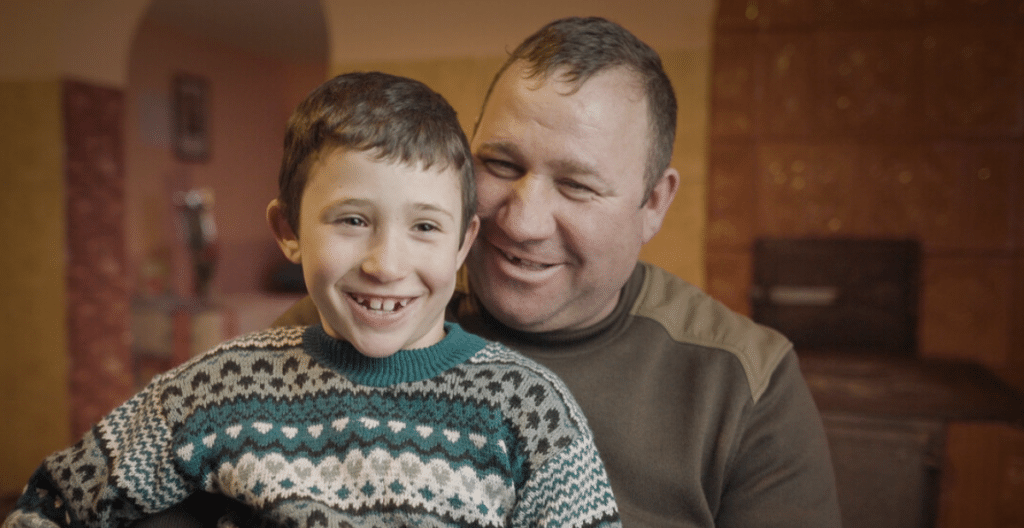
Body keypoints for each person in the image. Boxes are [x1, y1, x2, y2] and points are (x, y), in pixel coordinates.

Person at [275, 17, 842, 528]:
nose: (521, 222)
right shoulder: (359, 310)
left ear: (653, 204)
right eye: (500, 164)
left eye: (576, 185)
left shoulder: (742, 383)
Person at [3, 72, 621, 528]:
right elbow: (51, 505)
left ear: (464, 244)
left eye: (425, 227)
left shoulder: (528, 408)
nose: (386, 264)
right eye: (352, 220)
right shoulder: (222, 388)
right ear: (289, 232)